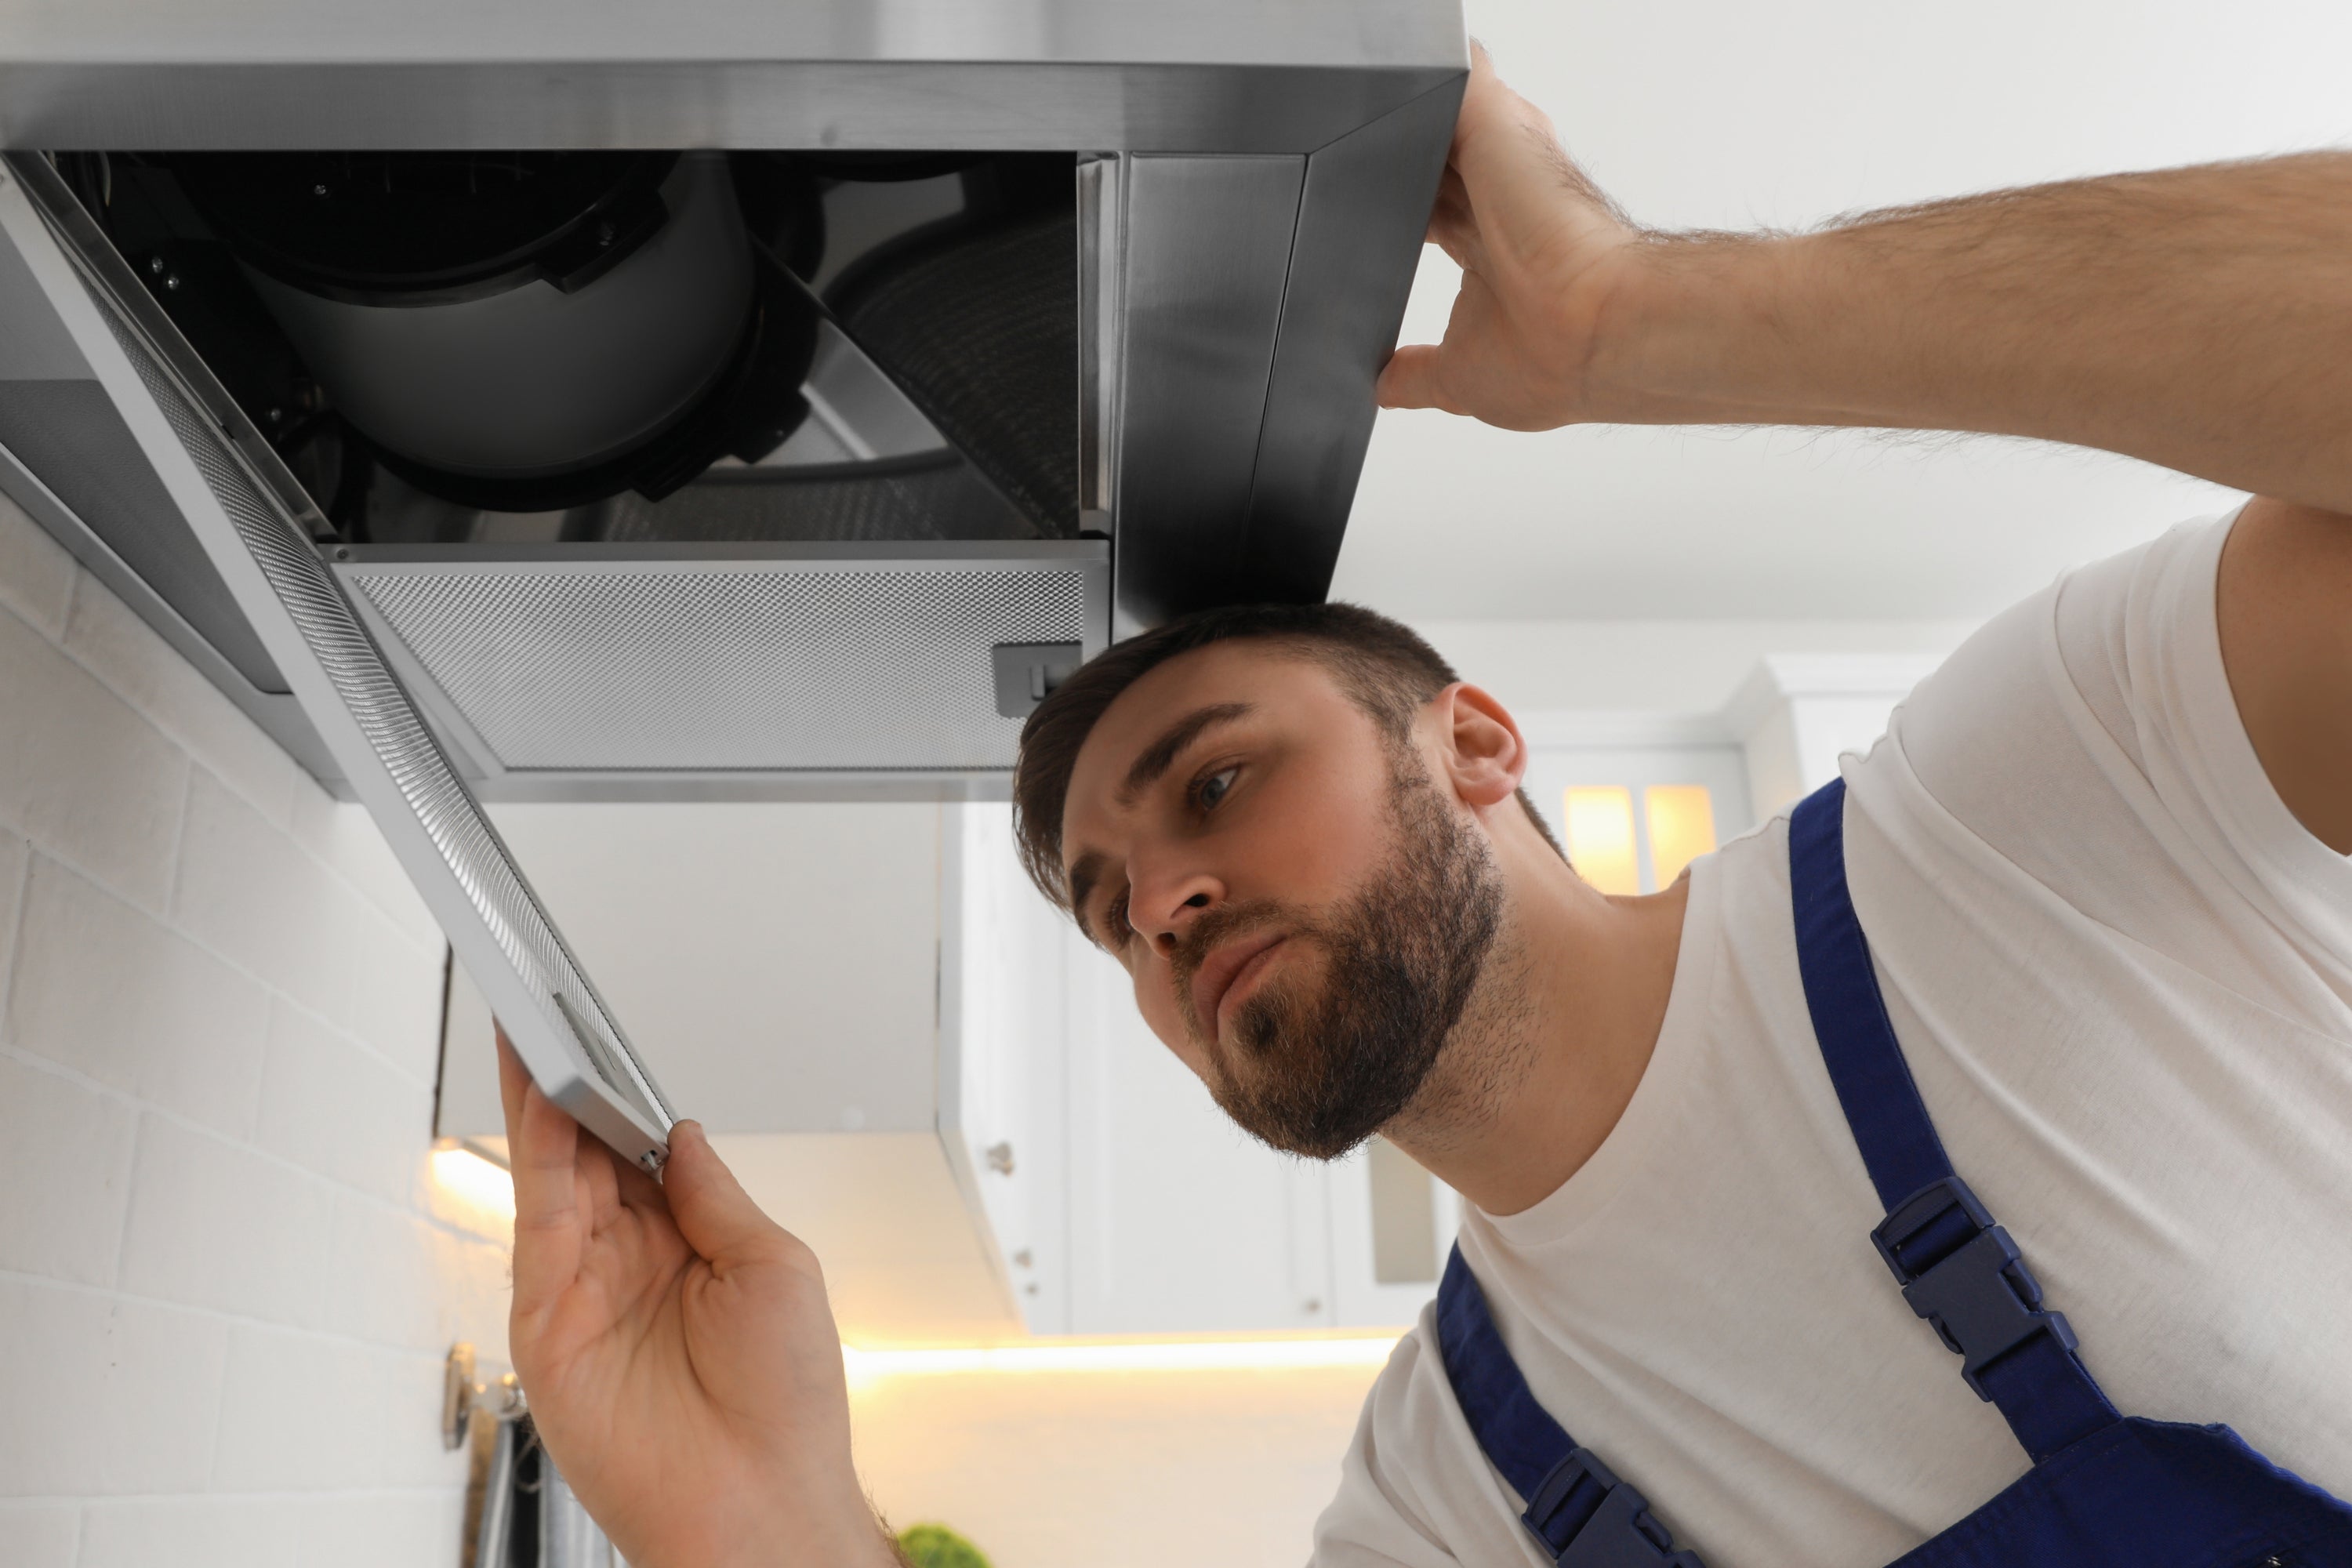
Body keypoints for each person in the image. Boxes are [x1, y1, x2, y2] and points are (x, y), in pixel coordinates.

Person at [494, 42, 2352, 1568]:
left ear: (1474, 743)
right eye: (1105, 902)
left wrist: (1636, 314)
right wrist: (767, 1527)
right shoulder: (1457, 1504)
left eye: (1217, 777)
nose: (1160, 907)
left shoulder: (2025, 827)